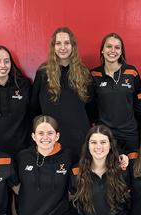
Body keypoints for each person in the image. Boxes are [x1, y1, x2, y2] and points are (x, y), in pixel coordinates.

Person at [31, 27, 93, 164]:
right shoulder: (43, 73)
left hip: (79, 139)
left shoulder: (84, 73)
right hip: (51, 139)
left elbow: (91, 108)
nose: (63, 47)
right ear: (53, 47)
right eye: (58, 43)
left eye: (67, 43)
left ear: (73, 46)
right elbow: (34, 108)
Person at [90, 33, 141, 153]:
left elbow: (139, 103)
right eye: (109, 46)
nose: (112, 50)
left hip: (130, 134)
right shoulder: (94, 75)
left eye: (117, 47)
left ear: (121, 52)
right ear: (102, 50)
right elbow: (91, 105)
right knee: (108, 169)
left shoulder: (131, 72)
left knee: (132, 169)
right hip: (105, 135)